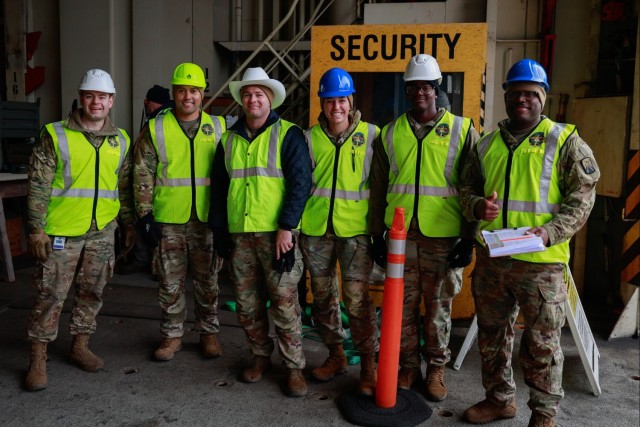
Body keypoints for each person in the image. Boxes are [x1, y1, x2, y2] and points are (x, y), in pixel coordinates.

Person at [459, 59, 600, 427]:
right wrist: (477, 206)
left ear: (542, 98)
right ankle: (499, 400)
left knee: (541, 344)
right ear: (505, 95)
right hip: (492, 258)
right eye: (515, 92)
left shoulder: (565, 141)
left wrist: (550, 232)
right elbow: (465, 188)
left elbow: (582, 198)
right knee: (492, 337)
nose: (522, 99)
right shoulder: (487, 143)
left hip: (540, 264)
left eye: (530, 93)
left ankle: (543, 413)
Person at [369, 54, 480, 401]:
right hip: (401, 238)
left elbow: (473, 185)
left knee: (438, 310)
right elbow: (377, 188)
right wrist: (376, 234)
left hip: (443, 239)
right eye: (413, 87)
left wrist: (469, 237)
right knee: (400, 307)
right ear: (407, 90)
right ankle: (407, 366)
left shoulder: (462, 131)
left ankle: (435, 369)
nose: (420, 92)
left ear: (437, 89)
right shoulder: (389, 133)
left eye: (426, 86)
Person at [24, 69, 134, 391]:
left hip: (101, 232)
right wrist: (35, 229)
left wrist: (127, 224)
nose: (95, 102)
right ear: (81, 97)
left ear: (111, 101)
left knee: (92, 291)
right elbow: (39, 184)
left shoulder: (121, 140)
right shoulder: (55, 134)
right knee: (50, 295)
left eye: (102, 97)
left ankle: (80, 346)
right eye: (90, 95)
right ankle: (38, 359)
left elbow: (123, 186)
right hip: (60, 232)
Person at [209, 67, 312, 397]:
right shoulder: (228, 139)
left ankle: (294, 368)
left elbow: (300, 184)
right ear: (242, 100)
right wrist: (220, 231)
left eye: (260, 94)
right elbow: (219, 189)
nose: (254, 99)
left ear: (270, 99)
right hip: (240, 236)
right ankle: (259, 357)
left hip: (276, 237)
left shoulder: (289, 134)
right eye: (248, 94)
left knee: (284, 303)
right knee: (247, 304)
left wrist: (287, 228)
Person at [133, 63, 226, 362]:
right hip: (168, 219)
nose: (189, 96)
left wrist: (227, 218)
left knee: (207, 280)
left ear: (203, 95)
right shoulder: (156, 127)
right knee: (169, 281)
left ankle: (208, 333)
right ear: (174, 93)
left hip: (206, 221)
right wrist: (144, 215)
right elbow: (142, 172)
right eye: (183, 90)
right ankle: (172, 336)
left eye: (194, 91)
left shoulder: (220, 127)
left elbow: (230, 174)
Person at [299, 67, 379, 396]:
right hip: (316, 230)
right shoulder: (308, 138)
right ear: (322, 103)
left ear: (351, 102)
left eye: (342, 100)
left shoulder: (373, 135)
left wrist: (379, 230)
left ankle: (370, 368)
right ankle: (336, 356)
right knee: (322, 299)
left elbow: (382, 184)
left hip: (355, 233)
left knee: (357, 301)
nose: (336, 108)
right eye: (330, 101)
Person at [117, 84, 171, 275]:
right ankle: (149, 262)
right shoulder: (163, 120)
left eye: (148, 102)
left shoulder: (158, 123)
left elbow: (146, 164)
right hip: (158, 187)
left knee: (147, 223)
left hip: (151, 187)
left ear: (150, 102)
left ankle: (149, 263)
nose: (146, 105)